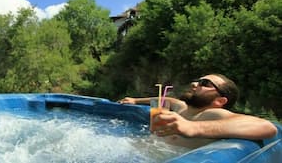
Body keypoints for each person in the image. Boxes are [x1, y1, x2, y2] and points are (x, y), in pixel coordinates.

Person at [118, 74, 278, 148]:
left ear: (219, 101)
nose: (195, 84)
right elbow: (167, 100)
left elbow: (266, 127)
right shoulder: (183, 108)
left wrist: (194, 127)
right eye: (197, 80)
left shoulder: (211, 115)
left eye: (205, 83)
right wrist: (135, 100)